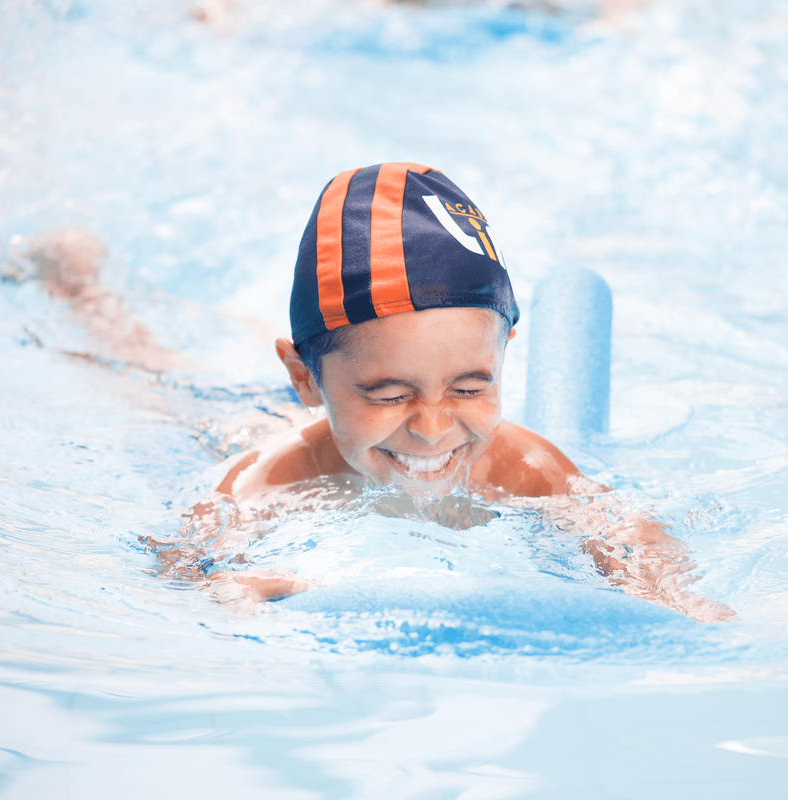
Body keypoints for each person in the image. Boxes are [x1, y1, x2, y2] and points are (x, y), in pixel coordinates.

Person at [178, 162, 733, 621]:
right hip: (242, 420)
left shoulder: (520, 466)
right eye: (390, 395)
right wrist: (223, 587)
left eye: (469, 388)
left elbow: (627, 527)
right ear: (305, 378)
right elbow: (191, 556)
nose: (434, 427)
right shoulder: (274, 475)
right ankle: (93, 291)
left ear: (504, 352)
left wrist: (673, 596)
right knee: (164, 373)